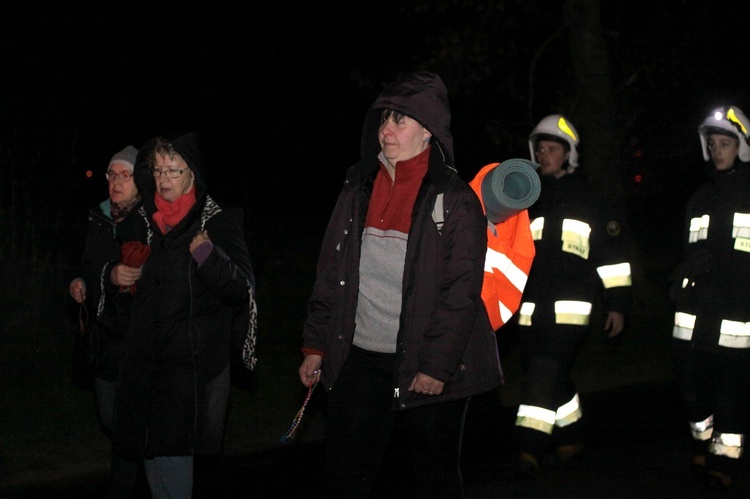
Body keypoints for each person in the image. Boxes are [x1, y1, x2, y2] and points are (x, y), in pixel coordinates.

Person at [297, 71, 503, 499]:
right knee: (345, 475)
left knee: (433, 478)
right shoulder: (358, 187)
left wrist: (436, 365)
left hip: (425, 362)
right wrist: (317, 345)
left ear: (428, 131)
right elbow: (330, 272)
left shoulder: (455, 199)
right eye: (384, 118)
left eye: (400, 120)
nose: (386, 129)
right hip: (360, 359)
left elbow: (461, 291)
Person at [109, 132, 257, 498]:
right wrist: (116, 279)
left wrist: (208, 257)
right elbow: (121, 294)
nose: (164, 179)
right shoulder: (140, 220)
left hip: (188, 372)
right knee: (152, 463)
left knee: (174, 467)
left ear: (193, 174)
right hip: (144, 366)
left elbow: (242, 290)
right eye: (158, 170)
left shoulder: (217, 221)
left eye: (174, 171)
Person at [510, 114, 633, 478]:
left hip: (571, 308)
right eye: (540, 148)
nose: (544, 154)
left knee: (545, 370)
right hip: (531, 308)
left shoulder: (591, 199)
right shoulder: (529, 201)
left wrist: (618, 306)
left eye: (552, 148)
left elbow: (614, 259)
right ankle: (574, 436)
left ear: (569, 154)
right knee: (548, 372)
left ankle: (527, 447)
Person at [669, 105, 750, 491]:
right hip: (694, 317)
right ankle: (702, 443)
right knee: (692, 390)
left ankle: (723, 463)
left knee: (731, 396)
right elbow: (687, 255)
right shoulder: (699, 198)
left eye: (726, 143)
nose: (718, 150)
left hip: (737, 316)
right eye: (713, 143)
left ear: (742, 148)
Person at [68, 144, 143, 498]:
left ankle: (127, 483)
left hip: (139, 338)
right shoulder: (97, 217)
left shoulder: (151, 221)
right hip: (104, 336)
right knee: (110, 416)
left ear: (139, 179)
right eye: (112, 174)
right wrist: (80, 282)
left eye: (124, 175)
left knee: (129, 421)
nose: (115, 181)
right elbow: (86, 265)